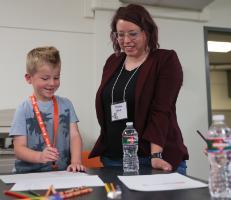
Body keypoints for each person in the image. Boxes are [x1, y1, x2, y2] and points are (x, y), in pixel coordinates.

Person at [89, 4, 189, 174]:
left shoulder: (165, 60)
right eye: (120, 35)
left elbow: (161, 110)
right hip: (113, 158)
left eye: (133, 34)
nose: (126, 40)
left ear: (147, 32)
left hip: (151, 158)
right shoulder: (113, 62)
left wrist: (156, 154)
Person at [10, 46, 86, 173]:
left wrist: (76, 161)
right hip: (28, 175)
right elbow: (19, 149)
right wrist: (40, 156)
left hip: (60, 173)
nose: (52, 83)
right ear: (29, 78)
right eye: (45, 78)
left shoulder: (66, 104)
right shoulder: (23, 109)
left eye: (56, 77)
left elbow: (74, 136)